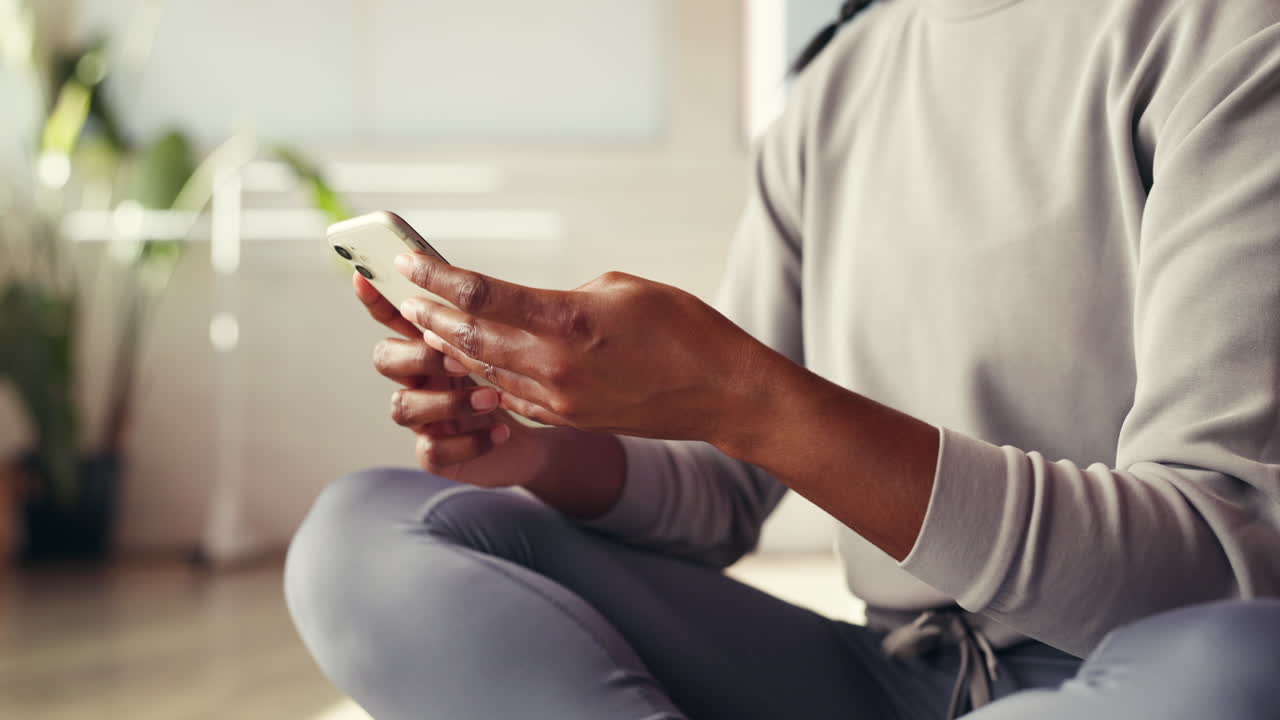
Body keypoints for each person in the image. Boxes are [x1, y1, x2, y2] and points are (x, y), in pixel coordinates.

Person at [285, 0, 1280, 718]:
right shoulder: (831, 86)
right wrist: (539, 456)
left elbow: (1217, 568)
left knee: (1245, 666)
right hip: (881, 677)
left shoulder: (1228, 38)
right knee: (365, 534)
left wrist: (745, 397)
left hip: (1134, 677)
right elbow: (724, 493)